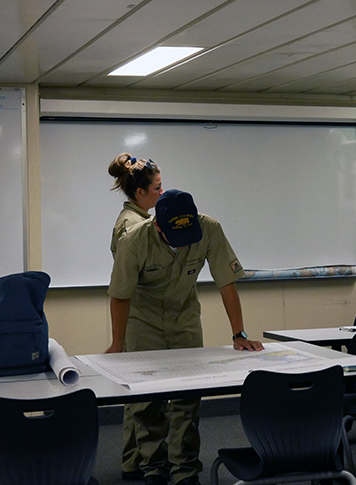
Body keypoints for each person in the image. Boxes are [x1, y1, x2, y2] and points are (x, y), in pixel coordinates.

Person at [107, 189, 264, 485]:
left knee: (187, 398)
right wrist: (118, 344)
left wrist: (239, 333)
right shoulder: (134, 241)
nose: (182, 245)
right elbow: (120, 296)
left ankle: (185, 470)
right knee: (146, 401)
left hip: (184, 319)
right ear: (157, 225)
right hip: (143, 322)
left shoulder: (209, 229)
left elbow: (226, 283)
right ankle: (154, 467)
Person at [108, 153, 165, 482]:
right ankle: (149, 464)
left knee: (136, 395)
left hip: (137, 313)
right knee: (147, 399)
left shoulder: (131, 217)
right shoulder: (135, 227)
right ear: (140, 193)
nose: (162, 192)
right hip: (143, 315)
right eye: (157, 188)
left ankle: (132, 462)